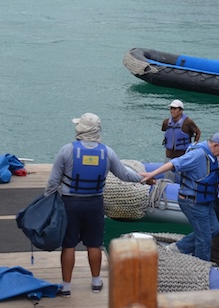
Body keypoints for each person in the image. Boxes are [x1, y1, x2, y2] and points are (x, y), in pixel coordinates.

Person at [44, 113, 146, 296]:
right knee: (94, 245)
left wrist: (46, 200)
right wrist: (144, 179)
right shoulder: (107, 152)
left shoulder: (66, 151)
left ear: (80, 129)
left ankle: (66, 286)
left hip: (70, 204)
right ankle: (96, 282)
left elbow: (53, 182)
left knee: (68, 245)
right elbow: (124, 175)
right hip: (95, 204)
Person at [141, 132, 219, 261]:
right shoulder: (198, 154)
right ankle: (200, 265)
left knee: (214, 228)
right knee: (204, 238)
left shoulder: (210, 154)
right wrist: (152, 174)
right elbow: (174, 163)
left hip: (205, 200)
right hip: (192, 201)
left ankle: (179, 247)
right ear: (216, 145)